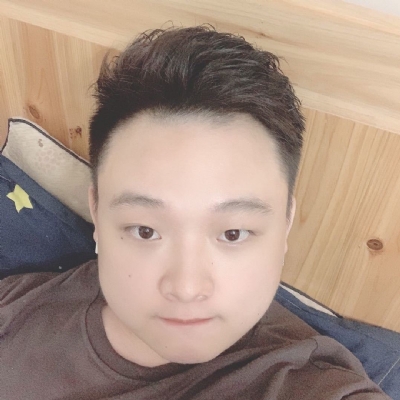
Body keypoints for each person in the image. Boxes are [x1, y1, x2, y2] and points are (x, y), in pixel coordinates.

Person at [0, 26, 390, 399]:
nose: (186, 288)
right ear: (97, 215)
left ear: (285, 224)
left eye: (233, 234)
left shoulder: (311, 386)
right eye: (145, 231)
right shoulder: (16, 307)